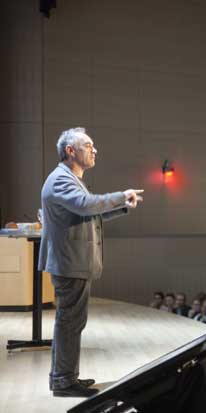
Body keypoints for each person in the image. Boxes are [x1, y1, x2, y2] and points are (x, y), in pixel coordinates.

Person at [40, 127, 143, 398]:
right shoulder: (61, 180)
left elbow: (87, 214)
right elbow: (86, 206)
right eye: (88, 145)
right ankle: (63, 381)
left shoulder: (71, 179)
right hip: (69, 262)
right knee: (69, 323)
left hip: (72, 261)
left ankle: (66, 377)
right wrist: (121, 195)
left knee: (72, 322)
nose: (94, 149)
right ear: (70, 151)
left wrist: (122, 207)